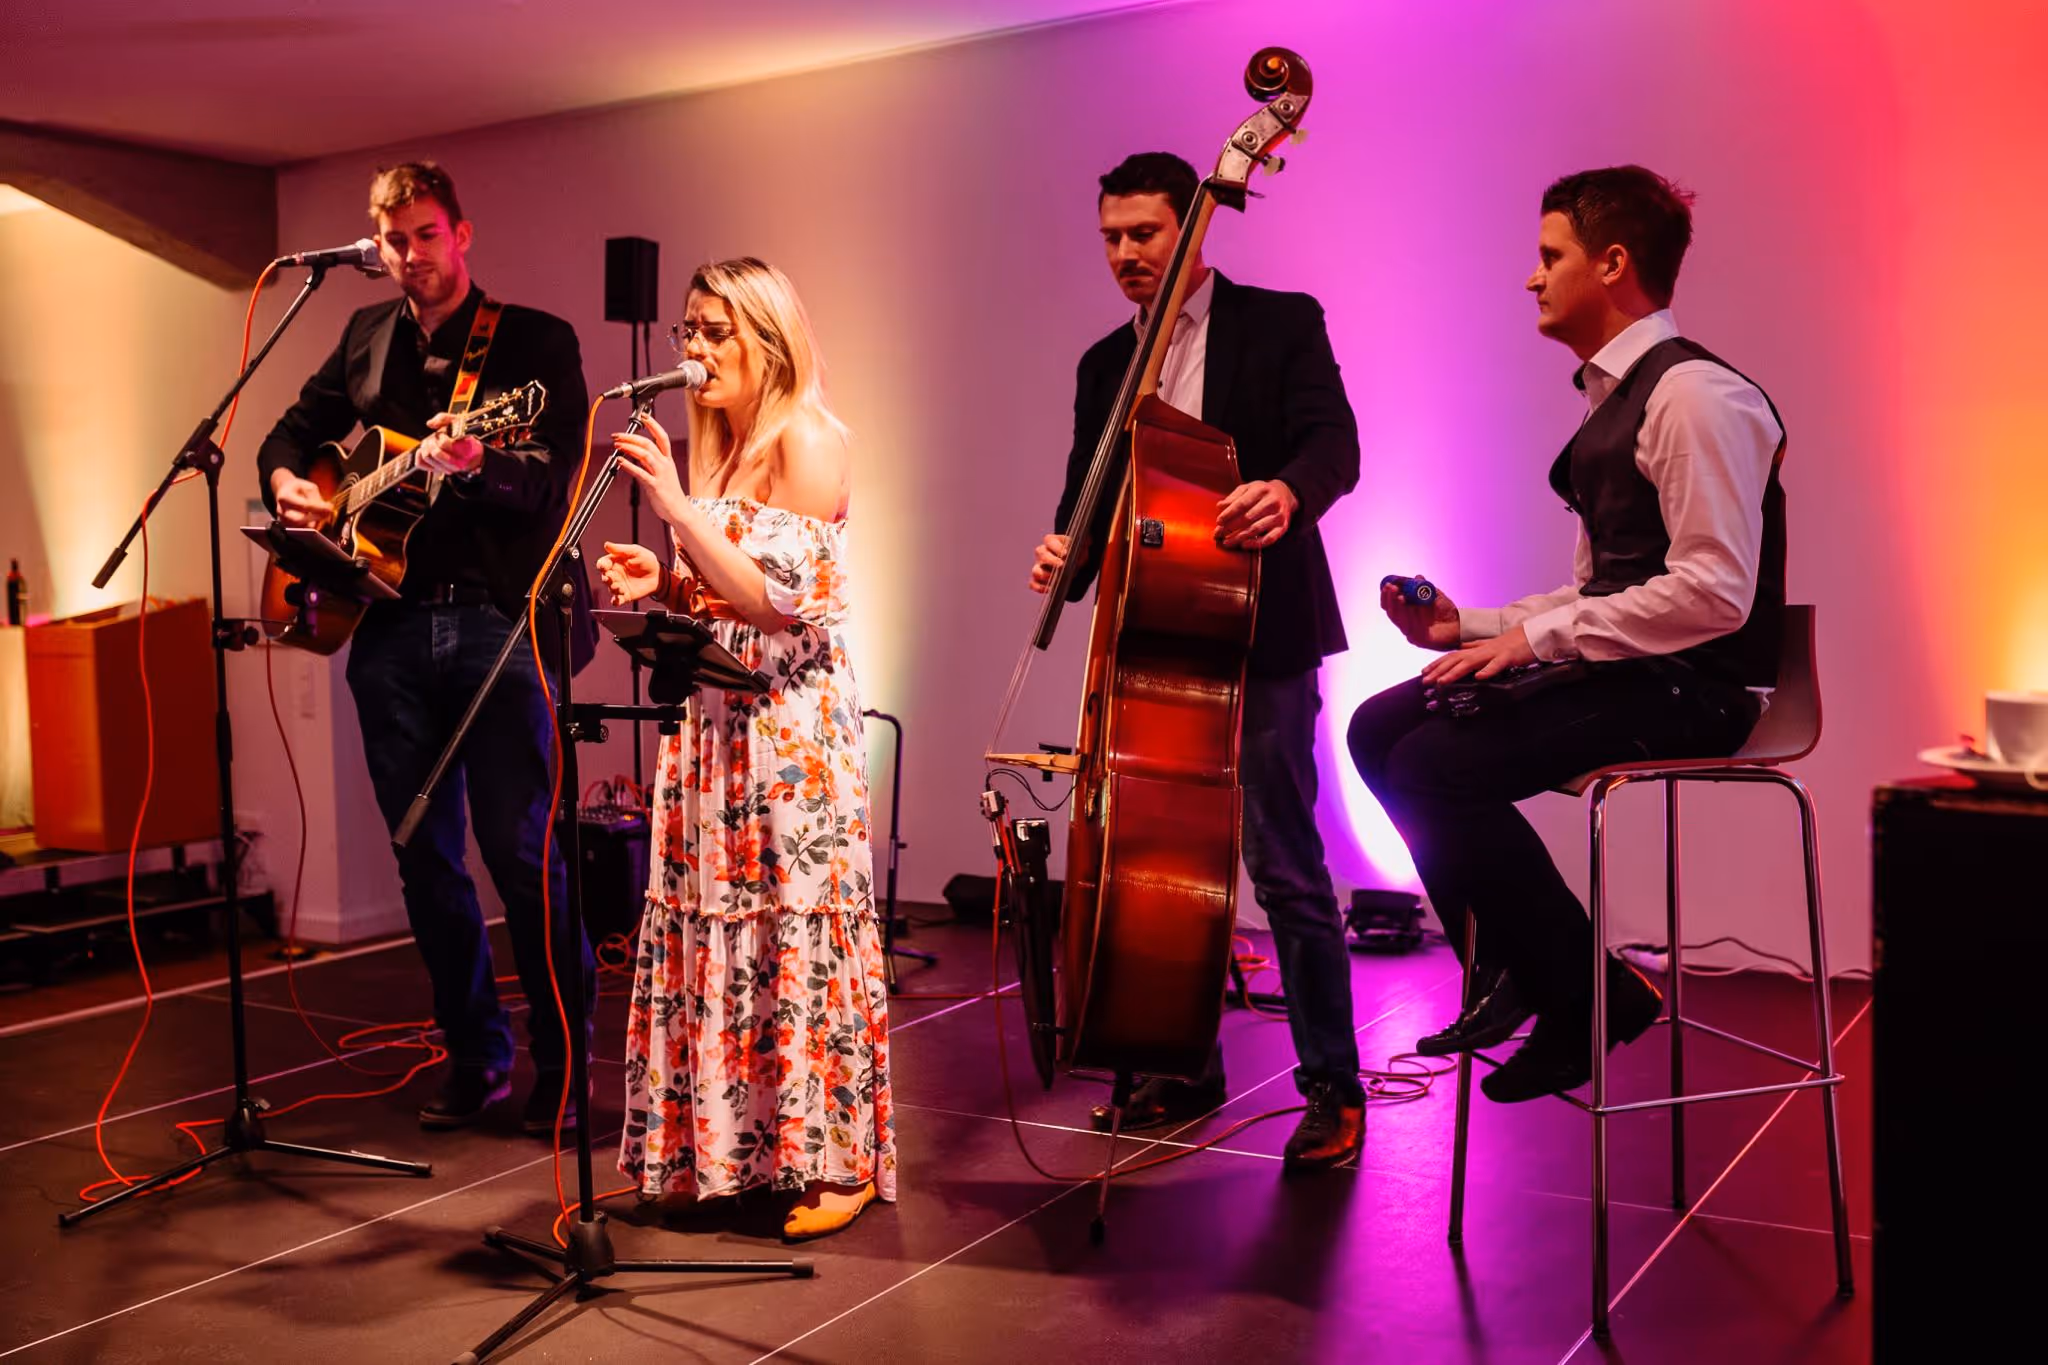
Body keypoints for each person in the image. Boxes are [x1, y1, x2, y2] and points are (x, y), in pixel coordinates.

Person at [1347, 165, 1788, 1103]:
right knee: (1377, 730)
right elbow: (1602, 590)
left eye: (1550, 257)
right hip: (1634, 671)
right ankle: (1523, 966)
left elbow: (1716, 593)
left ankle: (1583, 993)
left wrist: (1542, 642)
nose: (1531, 277)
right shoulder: (1608, 400)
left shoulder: (1697, 396)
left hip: (1701, 689)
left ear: (1613, 263)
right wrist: (1466, 625)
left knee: (1434, 765)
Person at [1028, 152, 1364, 1169]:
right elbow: (1086, 504)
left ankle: (1333, 1089)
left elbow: (1334, 443)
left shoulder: (1276, 322)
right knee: (1160, 871)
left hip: (1262, 634)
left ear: (1195, 228)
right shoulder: (1102, 363)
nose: (1126, 255)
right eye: (1111, 238)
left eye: (1145, 234)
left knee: (1282, 865)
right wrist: (1063, 556)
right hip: (1153, 646)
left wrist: (1288, 491)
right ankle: (1177, 1064)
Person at [257, 161, 596, 1134]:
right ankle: (474, 1059)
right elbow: (289, 435)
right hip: (388, 628)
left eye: (428, 234)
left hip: (494, 625)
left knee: (520, 852)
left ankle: (563, 1072)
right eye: (395, 240)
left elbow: (547, 483)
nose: (413, 255)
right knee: (424, 859)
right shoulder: (364, 337)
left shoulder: (531, 344)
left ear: (463, 233)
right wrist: (292, 484)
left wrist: (479, 462)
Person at [596, 257, 892, 1241]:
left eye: (712, 330)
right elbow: (725, 597)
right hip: (717, 725)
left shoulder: (808, 438)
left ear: (764, 338)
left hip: (787, 734)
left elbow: (777, 604)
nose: (691, 350)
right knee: (726, 930)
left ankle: (837, 1162)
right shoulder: (720, 449)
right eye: (686, 329)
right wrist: (665, 584)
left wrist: (677, 516)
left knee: (799, 933)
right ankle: (735, 1149)